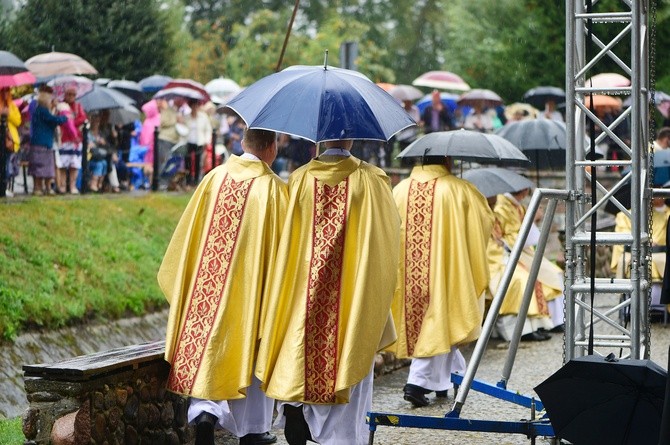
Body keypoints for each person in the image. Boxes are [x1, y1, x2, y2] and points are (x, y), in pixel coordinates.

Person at [255, 139, 400, 445]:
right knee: (351, 366)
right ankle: (342, 438)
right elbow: (386, 243)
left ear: (320, 138)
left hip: (304, 295)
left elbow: (286, 242)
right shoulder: (372, 180)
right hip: (352, 297)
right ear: (351, 139)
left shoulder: (299, 179)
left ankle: (298, 411)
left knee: (301, 358)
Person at [158, 128, 287, 445]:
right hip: (248, 291)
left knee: (208, 346)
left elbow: (188, 236)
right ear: (271, 148)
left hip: (207, 286)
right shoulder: (272, 188)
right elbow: (284, 251)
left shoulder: (213, 178)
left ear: (243, 144)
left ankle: (205, 411)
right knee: (255, 343)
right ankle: (253, 429)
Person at [387, 157, 493, 407]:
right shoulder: (459, 189)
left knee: (442, 322)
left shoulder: (400, 190)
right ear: (446, 159)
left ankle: (448, 380)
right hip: (446, 270)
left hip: (407, 274)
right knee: (442, 319)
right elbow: (485, 223)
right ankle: (417, 382)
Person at [489, 188, 565, 341]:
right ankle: (524, 330)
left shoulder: (517, 206)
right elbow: (497, 239)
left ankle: (552, 321)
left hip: (518, 252)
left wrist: (533, 220)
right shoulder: (500, 208)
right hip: (497, 258)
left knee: (553, 273)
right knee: (524, 280)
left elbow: (517, 233)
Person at [29, 85, 66, 195]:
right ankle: (39, 188)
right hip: (42, 143)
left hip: (41, 142)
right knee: (41, 167)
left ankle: (42, 188)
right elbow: (53, 120)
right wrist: (65, 115)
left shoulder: (38, 110)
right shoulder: (42, 110)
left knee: (42, 167)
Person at [56, 86, 87, 194]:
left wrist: (72, 122)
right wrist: (69, 121)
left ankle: (72, 186)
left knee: (75, 164)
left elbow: (83, 118)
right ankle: (63, 185)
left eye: (73, 94)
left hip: (76, 139)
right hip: (64, 139)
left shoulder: (78, 106)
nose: (71, 97)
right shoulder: (61, 106)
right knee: (63, 164)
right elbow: (61, 120)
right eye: (69, 94)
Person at [184, 99, 213, 186]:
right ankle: (188, 180)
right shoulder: (186, 117)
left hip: (199, 142)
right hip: (188, 141)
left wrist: (206, 140)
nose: (194, 107)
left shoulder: (203, 117)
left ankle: (196, 181)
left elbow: (208, 129)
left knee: (197, 161)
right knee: (187, 161)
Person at [1, 87, 21, 197]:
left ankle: (6, 186)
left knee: (8, 164)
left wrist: (9, 114)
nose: (5, 93)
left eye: (7, 91)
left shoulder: (12, 106)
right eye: (3, 91)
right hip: (1, 138)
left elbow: (18, 121)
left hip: (10, 140)